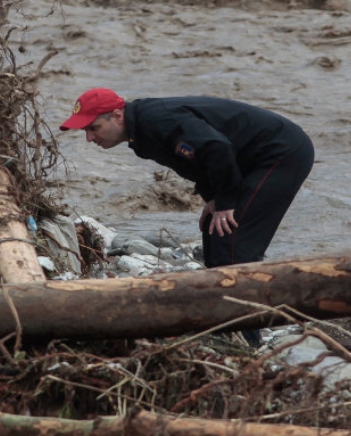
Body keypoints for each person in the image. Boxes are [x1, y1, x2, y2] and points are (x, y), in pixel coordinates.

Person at [60, 88, 315, 345]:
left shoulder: (157, 121)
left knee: (234, 244)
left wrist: (226, 201)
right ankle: (225, 324)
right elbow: (198, 161)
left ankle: (248, 339)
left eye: (93, 128)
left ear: (116, 116)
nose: (89, 138)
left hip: (281, 153)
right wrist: (213, 199)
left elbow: (216, 147)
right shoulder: (139, 130)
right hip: (245, 161)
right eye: (85, 131)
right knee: (214, 234)